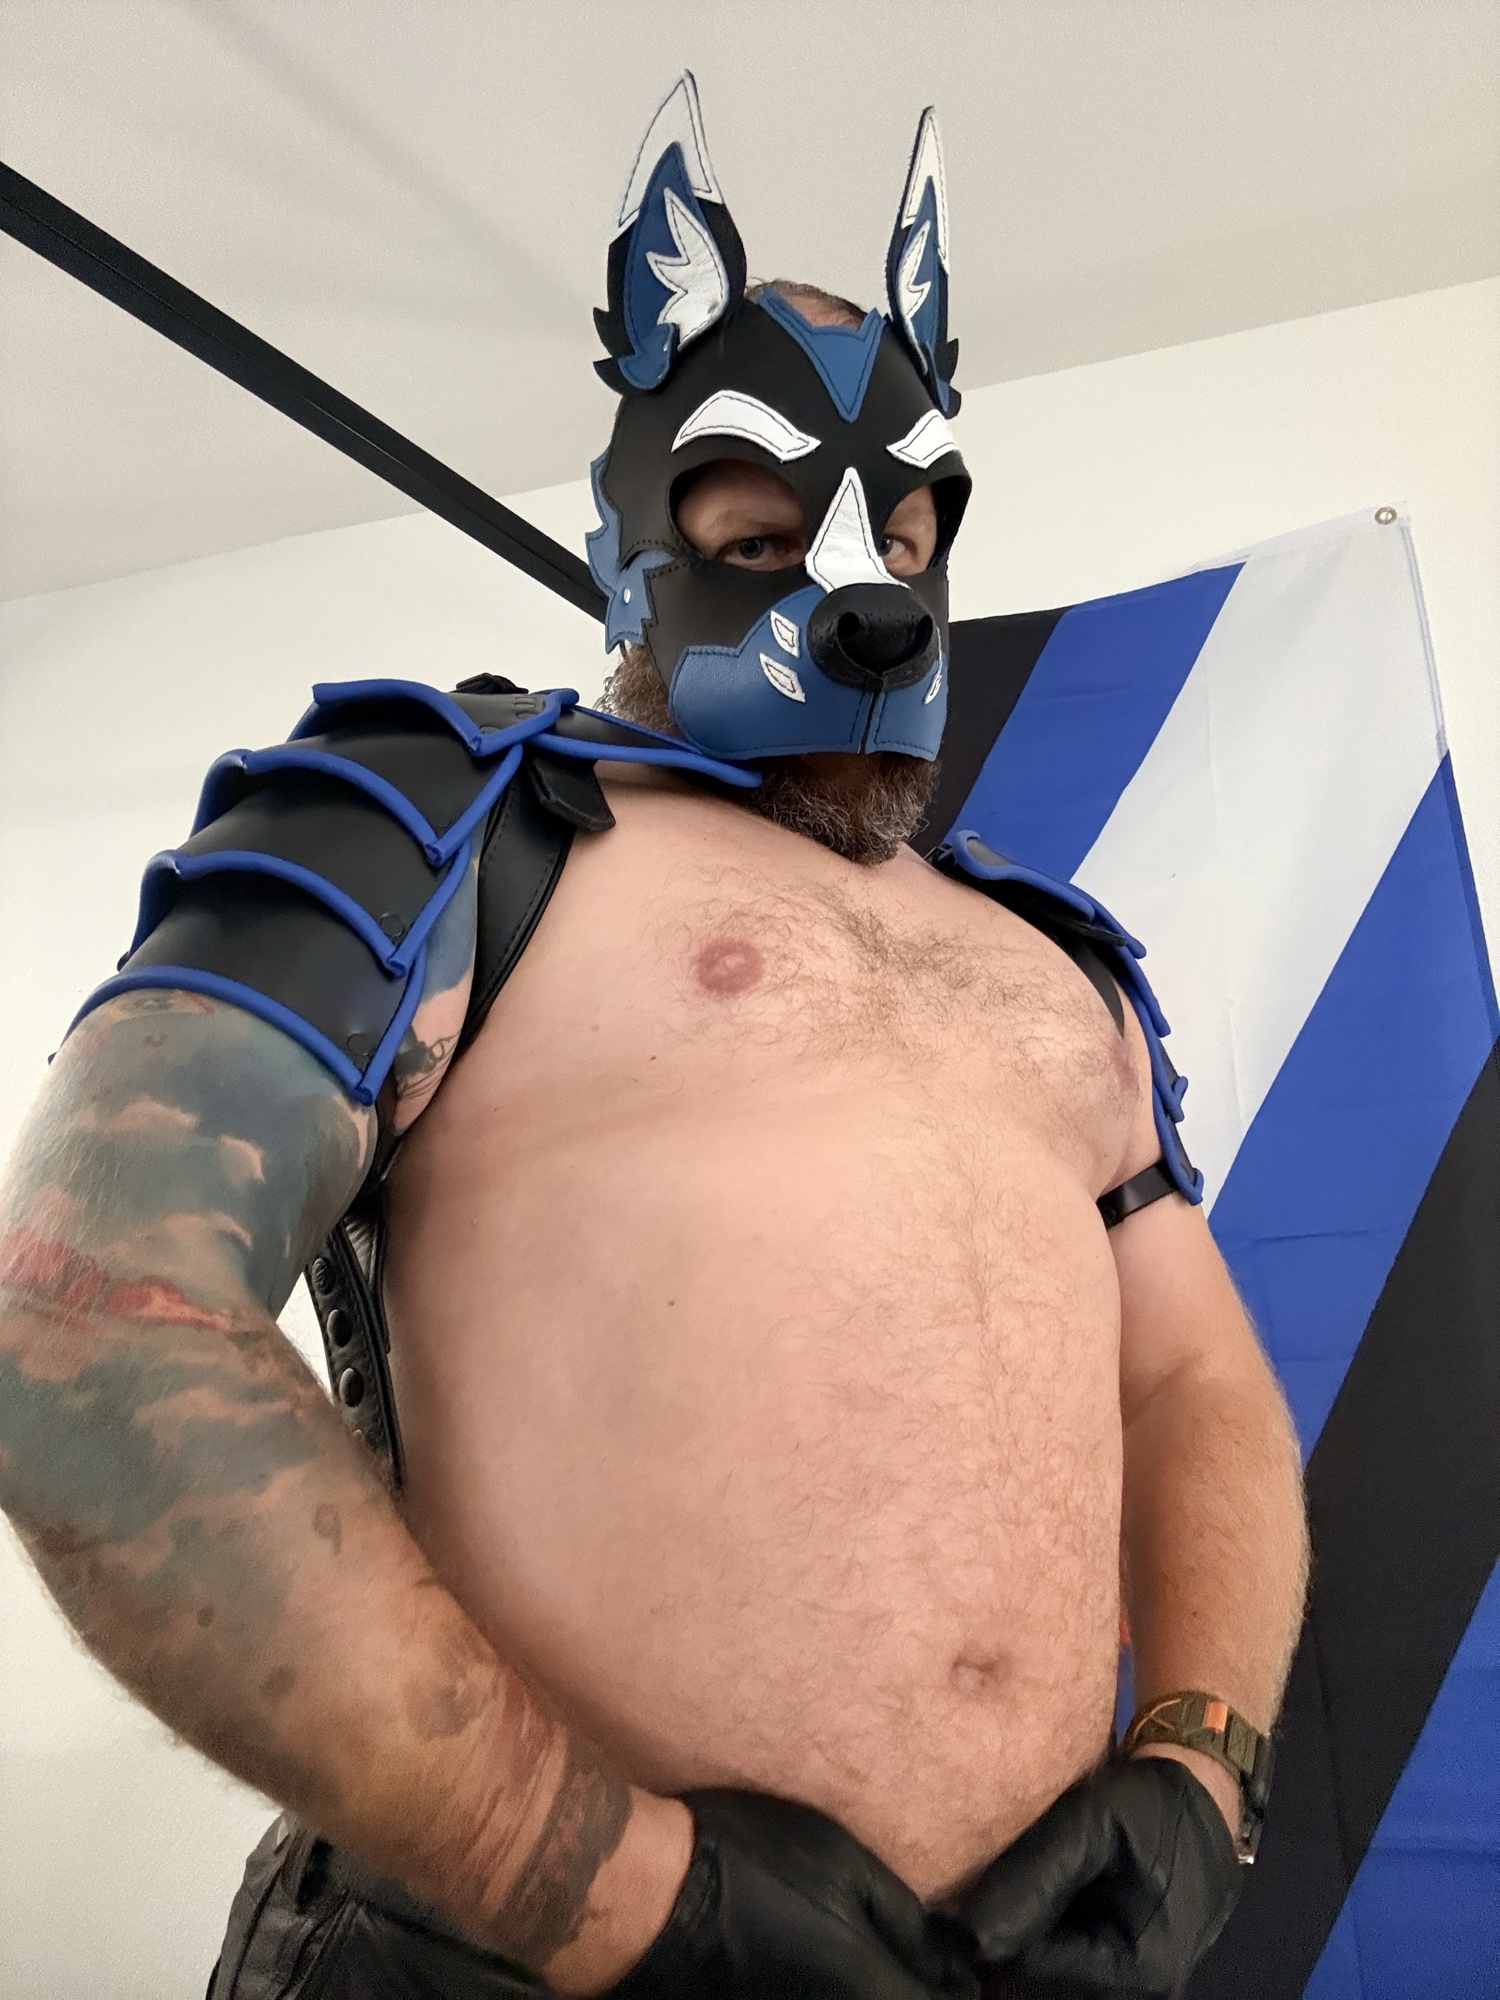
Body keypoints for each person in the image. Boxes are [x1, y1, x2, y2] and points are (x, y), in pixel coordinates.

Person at [0, 77, 1306, 1999]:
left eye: (902, 535)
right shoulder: (440, 815)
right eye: (765, 531)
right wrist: (596, 1886)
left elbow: (1193, 1382)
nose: (865, 602)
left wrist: (1198, 1773)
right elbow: (86, 1313)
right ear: (640, 531)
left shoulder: (1052, 960)